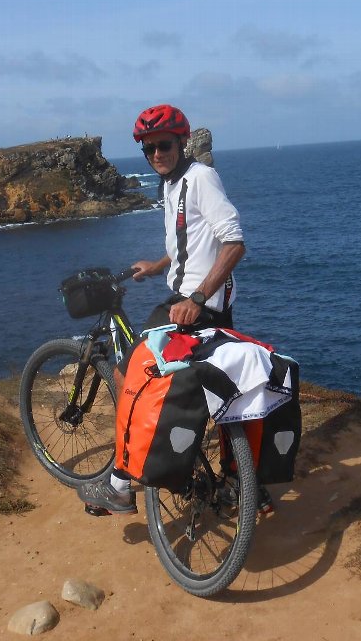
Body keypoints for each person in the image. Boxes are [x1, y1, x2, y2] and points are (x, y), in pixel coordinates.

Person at [76, 103, 259, 516]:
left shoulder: (201, 179)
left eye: (164, 145)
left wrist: (195, 300)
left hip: (191, 309)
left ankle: (120, 486)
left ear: (181, 143)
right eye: (148, 148)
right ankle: (238, 480)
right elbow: (190, 241)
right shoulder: (172, 184)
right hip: (196, 303)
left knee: (129, 375)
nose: (156, 153)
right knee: (211, 390)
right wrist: (158, 265)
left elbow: (234, 243)